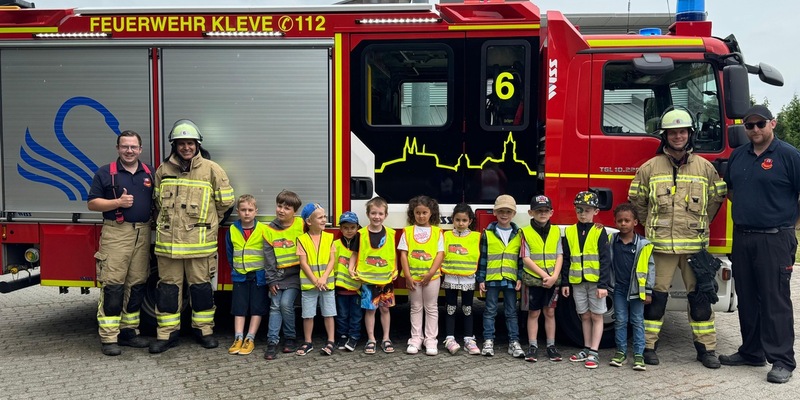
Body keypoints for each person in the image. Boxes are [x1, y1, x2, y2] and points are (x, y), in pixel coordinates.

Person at [628, 108, 726, 368]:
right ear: (665, 136)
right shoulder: (649, 167)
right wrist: (651, 221)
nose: (678, 136)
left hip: (694, 248)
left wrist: (702, 221)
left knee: (701, 298)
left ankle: (706, 350)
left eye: (682, 131)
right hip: (660, 246)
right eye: (673, 132)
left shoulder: (705, 167)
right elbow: (636, 199)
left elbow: (717, 197)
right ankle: (648, 346)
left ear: (690, 134)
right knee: (655, 298)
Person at [720, 104, 800, 384]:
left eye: (760, 124)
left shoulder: (789, 156)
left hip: (775, 238)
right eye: (749, 125)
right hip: (743, 237)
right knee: (748, 298)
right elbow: (731, 190)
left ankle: (782, 360)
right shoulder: (739, 155)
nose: (754, 129)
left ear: (772, 124)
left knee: (774, 300)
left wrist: (790, 225)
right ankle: (752, 351)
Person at [150, 119, 235, 353]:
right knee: (167, 291)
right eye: (181, 144)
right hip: (169, 247)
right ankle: (167, 335)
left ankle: (204, 331)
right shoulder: (163, 170)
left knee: (201, 290)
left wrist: (209, 221)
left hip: (200, 247)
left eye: (190, 143)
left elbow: (225, 201)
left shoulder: (211, 169)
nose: (186, 147)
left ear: (197, 145)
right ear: (174, 146)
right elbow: (157, 202)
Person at [88, 130, 154, 356]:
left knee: (136, 284)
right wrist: (118, 202)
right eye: (125, 146)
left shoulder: (149, 173)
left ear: (140, 150)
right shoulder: (106, 173)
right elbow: (92, 204)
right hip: (116, 233)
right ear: (118, 148)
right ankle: (108, 337)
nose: (129, 151)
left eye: (133, 147)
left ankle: (129, 332)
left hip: (143, 233)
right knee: (113, 285)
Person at [561, 191, 611, 369]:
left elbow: (605, 260)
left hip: (595, 282)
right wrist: (565, 282)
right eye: (579, 209)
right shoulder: (569, 231)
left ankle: (594, 352)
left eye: (587, 210)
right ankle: (586, 347)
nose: (583, 213)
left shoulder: (599, 231)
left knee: (597, 316)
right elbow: (566, 259)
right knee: (584, 315)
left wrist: (603, 284)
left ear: (595, 211)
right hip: (577, 282)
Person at [608, 203, 655, 371]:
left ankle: (638, 355)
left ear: (635, 222)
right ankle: (621, 352)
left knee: (637, 321)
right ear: (614, 222)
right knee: (620, 320)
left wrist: (648, 291)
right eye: (619, 220)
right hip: (619, 289)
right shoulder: (612, 240)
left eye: (627, 220)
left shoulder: (644, 244)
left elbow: (650, 269)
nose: (623, 223)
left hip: (637, 291)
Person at [348, 197, 397, 355]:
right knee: (370, 311)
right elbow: (355, 254)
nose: (377, 216)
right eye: (373, 213)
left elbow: (392, 254)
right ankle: (371, 339)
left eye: (380, 213)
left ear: (386, 215)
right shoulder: (361, 234)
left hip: (386, 281)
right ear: (368, 214)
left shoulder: (390, 233)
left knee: (385, 310)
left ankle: (386, 338)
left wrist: (395, 269)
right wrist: (351, 268)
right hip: (368, 281)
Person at [477, 194, 524, 358]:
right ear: (495, 213)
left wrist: (520, 277)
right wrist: (481, 279)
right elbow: (483, 258)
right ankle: (488, 341)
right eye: (501, 211)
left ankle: (514, 342)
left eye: (508, 212)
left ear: (514, 214)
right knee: (490, 311)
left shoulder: (519, 234)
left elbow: (520, 259)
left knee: (511, 312)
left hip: (511, 280)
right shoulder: (488, 233)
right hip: (492, 279)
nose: (505, 215)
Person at [519, 195, 563, 363]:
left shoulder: (557, 231)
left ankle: (551, 346)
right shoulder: (525, 232)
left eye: (545, 211)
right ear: (531, 212)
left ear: (551, 212)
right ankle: (533, 346)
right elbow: (525, 258)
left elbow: (560, 254)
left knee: (550, 312)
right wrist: (544, 276)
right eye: (538, 211)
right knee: (534, 312)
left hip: (552, 279)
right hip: (533, 280)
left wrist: (554, 276)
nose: (542, 214)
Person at [399, 195, 444, 356]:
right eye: (418, 213)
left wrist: (431, 273)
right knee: (415, 307)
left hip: (431, 278)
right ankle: (416, 338)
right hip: (414, 278)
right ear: (413, 213)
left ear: (431, 213)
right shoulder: (408, 231)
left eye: (424, 212)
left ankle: (431, 339)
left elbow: (440, 254)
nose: (421, 216)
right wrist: (408, 277)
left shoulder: (437, 232)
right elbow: (403, 255)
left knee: (431, 307)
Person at [263, 190, 304, 360]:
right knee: (275, 305)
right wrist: (271, 280)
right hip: (277, 276)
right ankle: (272, 342)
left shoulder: (301, 224)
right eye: (279, 206)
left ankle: (290, 338)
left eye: (287, 208)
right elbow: (269, 259)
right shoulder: (268, 230)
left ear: (295, 212)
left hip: (295, 275)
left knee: (286, 304)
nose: (281, 210)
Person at [225, 194, 268, 356]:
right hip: (239, 275)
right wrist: (235, 268)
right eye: (243, 210)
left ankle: (250, 338)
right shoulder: (232, 229)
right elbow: (230, 253)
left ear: (256, 211)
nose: (247, 213)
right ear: (238, 211)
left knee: (257, 308)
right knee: (239, 308)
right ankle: (238, 338)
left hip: (258, 276)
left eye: (250, 210)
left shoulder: (263, 230)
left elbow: (267, 254)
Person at [295, 203, 337, 356]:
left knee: (329, 313)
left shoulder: (329, 237)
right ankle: (308, 341)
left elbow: (332, 260)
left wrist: (324, 278)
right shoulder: (302, 239)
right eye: (320, 217)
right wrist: (315, 280)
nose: (324, 219)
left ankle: (331, 341)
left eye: (324, 216)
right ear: (309, 221)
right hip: (310, 286)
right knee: (307, 315)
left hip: (327, 284)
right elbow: (303, 263)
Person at [441, 203, 481, 355]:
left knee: (468, 308)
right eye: (457, 220)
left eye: (464, 220)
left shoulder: (476, 237)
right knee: (450, 308)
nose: (460, 223)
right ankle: (449, 338)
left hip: (468, 278)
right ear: (453, 220)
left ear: (470, 221)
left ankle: (469, 339)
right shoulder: (446, 236)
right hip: (450, 276)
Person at [333, 211, 362, 352]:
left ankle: (354, 337)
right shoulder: (336, 245)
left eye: (352, 227)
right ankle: (343, 336)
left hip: (357, 289)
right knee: (342, 315)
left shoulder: (362, 245)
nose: (349, 231)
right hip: (341, 288)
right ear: (340, 229)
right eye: (345, 227)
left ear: (357, 228)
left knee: (356, 315)